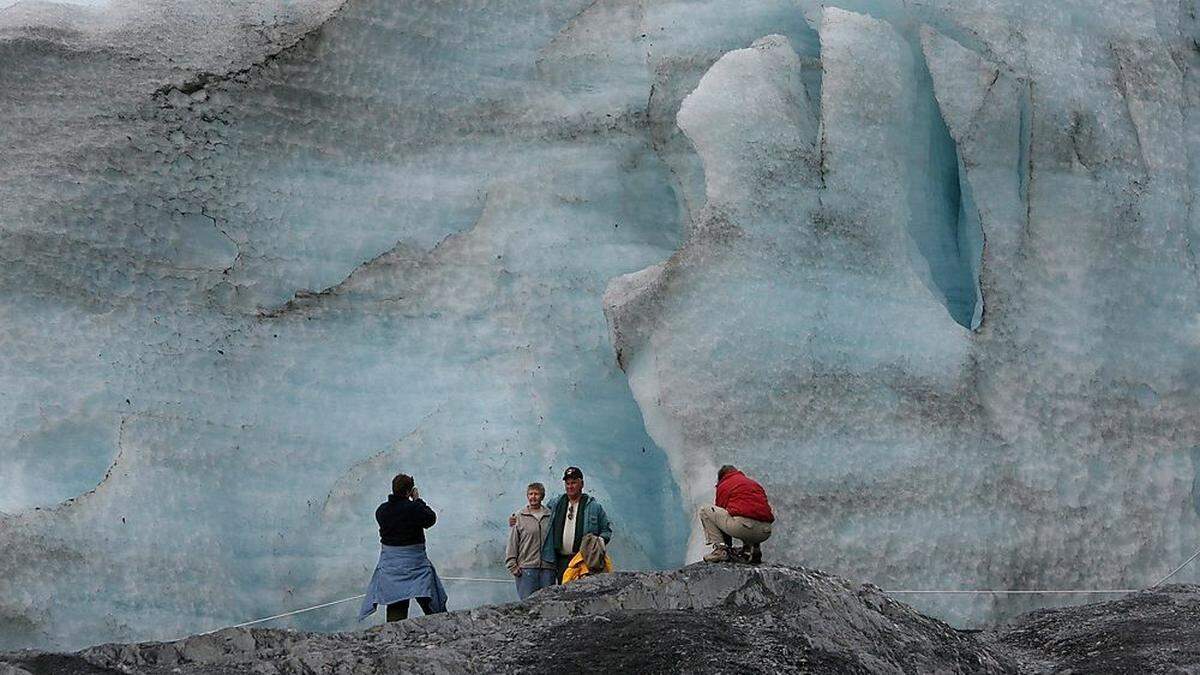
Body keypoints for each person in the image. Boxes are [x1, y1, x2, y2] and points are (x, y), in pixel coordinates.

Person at [359, 473, 448, 622]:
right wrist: (418, 500)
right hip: (416, 566)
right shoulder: (414, 508)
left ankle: (395, 636)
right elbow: (430, 519)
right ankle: (440, 625)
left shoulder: (381, 510)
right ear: (409, 491)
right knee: (430, 602)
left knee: (396, 606)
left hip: (391, 568)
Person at [540, 466, 612, 583]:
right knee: (563, 595)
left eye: (574, 483)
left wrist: (597, 544)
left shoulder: (594, 507)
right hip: (560, 561)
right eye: (567, 483)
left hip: (584, 561)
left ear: (581, 484)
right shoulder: (555, 504)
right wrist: (517, 519)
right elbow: (539, 516)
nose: (570, 486)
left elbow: (606, 530)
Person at [698, 465, 774, 563]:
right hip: (765, 532)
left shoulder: (725, 484)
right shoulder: (754, 484)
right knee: (751, 512)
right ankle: (753, 550)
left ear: (721, 476)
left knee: (705, 510)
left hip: (744, 527)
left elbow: (721, 514)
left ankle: (720, 550)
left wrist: (726, 546)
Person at [505, 482, 556, 599]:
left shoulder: (550, 516)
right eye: (530, 494)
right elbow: (513, 542)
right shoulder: (519, 516)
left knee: (547, 604)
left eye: (536, 494)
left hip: (547, 570)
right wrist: (512, 565)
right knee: (527, 606)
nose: (533, 497)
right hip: (526, 569)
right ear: (527, 496)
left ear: (542, 496)